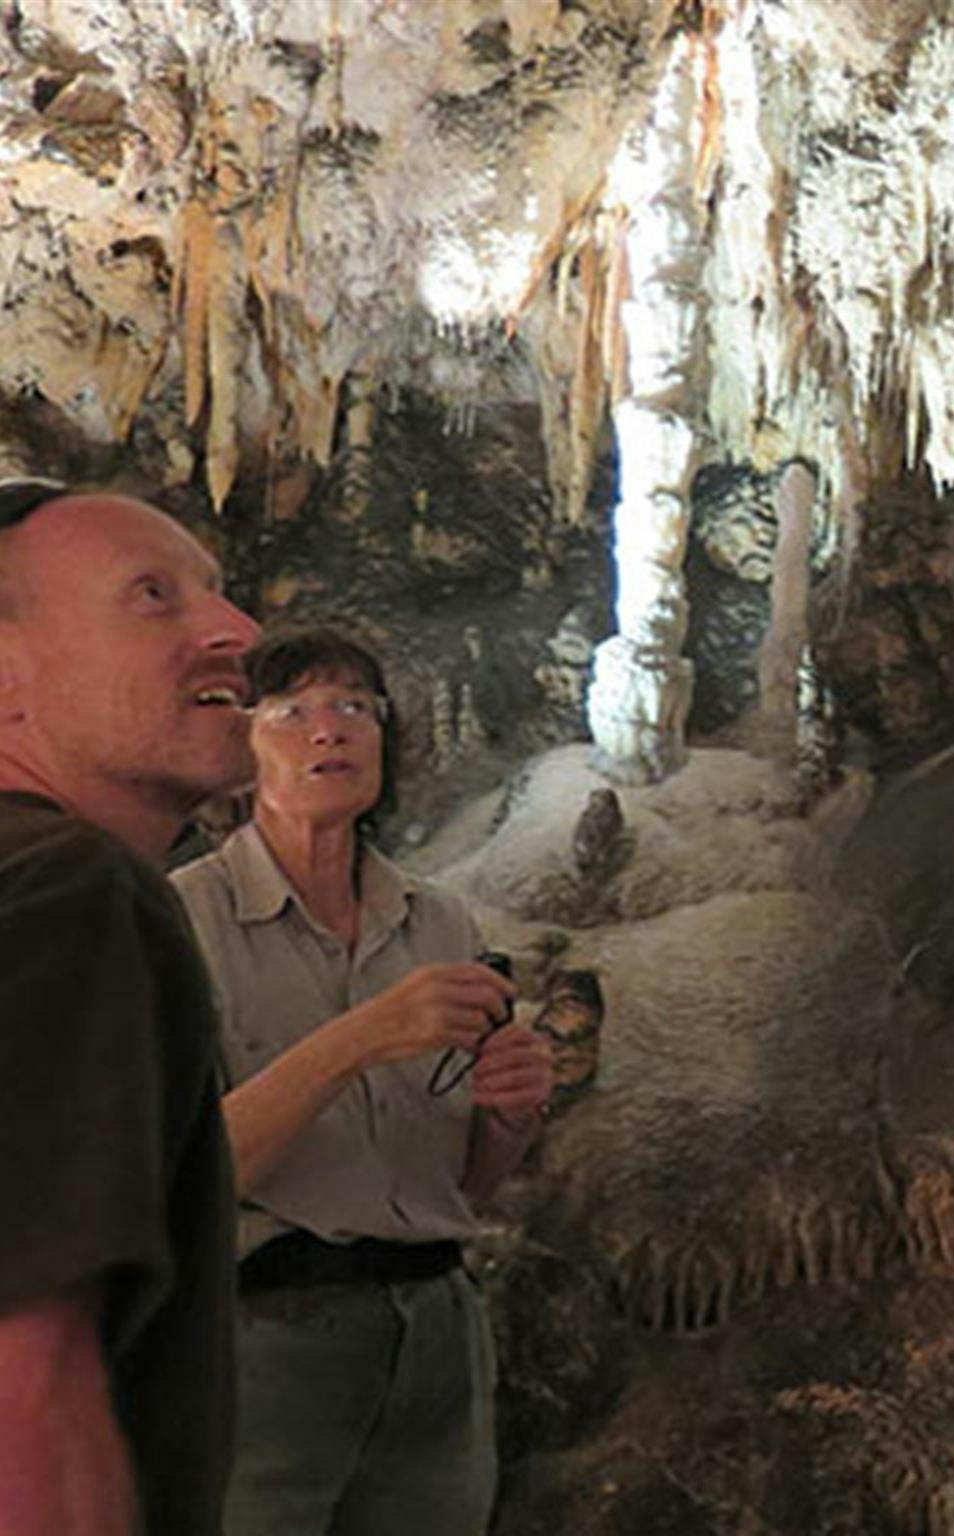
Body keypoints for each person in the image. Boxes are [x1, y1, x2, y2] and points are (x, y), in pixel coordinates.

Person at [169, 628, 551, 1536]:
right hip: (262, 1335)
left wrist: (508, 1116)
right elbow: (183, 1181)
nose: (328, 731)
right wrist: (366, 1034)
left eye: (353, 708)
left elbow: (458, 1188)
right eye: (293, 711)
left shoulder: (439, 923)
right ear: (241, 747)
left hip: (437, 1333)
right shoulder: (183, 919)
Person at [0, 479, 263, 1536]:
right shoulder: (69, 891)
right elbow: (26, 1394)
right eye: (151, 595)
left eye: (217, 592)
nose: (238, 632)